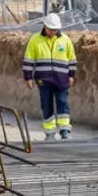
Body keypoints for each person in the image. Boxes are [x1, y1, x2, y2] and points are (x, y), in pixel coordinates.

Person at [22, 13, 77, 141]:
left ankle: (65, 130)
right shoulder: (35, 40)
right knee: (46, 104)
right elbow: (28, 60)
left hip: (61, 78)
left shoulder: (65, 39)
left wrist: (72, 75)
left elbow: (72, 59)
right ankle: (50, 132)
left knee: (62, 102)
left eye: (55, 29)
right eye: (50, 29)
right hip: (43, 79)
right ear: (44, 26)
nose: (52, 31)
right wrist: (28, 77)